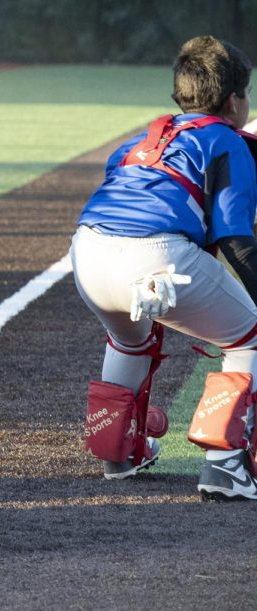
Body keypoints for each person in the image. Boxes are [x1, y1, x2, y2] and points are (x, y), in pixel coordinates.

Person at [72, 35, 257, 501]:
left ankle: (119, 452)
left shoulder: (142, 138)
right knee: (249, 336)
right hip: (156, 255)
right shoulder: (225, 141)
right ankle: (225, 466)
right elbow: (236, 239)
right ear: (234, 100)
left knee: (131, 339)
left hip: (87, 253)